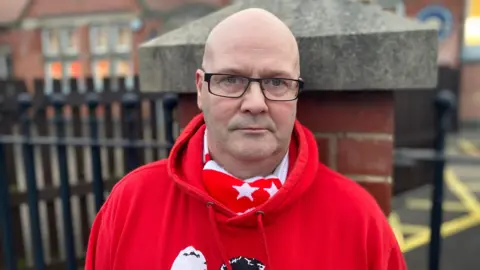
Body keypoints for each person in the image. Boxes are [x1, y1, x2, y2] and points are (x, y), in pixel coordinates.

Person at [85, 7, 406, 270]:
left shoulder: (359, 223)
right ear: (200, 88)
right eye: (231, 79)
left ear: (297, 92)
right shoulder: (130, 206)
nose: (255, 103)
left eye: (276, 82)